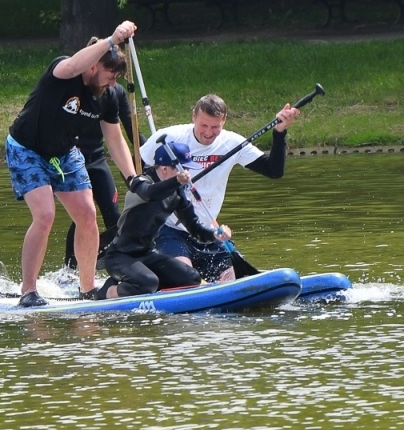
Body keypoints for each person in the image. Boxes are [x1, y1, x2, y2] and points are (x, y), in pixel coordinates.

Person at [5, 23, 141, 307]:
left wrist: (132, 178)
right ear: (93, 67)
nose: (112, 84)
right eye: (109, 76)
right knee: (45, 215)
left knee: (88, 214)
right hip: (27, 148)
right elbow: (74, 64)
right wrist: (112, 40)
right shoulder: (64, 72)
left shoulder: (109, 96)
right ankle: (28, 291)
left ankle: (87, 289)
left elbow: (114, 139)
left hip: (65, 152)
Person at [140, 92, 299, 282]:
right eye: (203, 125)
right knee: (186, 279)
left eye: (215, 127)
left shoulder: (231, 143)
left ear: (224, 121)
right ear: (193, 116)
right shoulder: (169, 137)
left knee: (229, 281)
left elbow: (274, 170)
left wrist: (279, 133)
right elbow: (139, 172)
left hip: (207, 231)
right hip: (168, 229)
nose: (208, 133)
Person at [95, 142, 230, 299]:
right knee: (147, 283)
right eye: (183, 169)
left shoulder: (177, 193)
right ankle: (107, 292)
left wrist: (215, 235)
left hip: (147, 254)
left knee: (191, 278)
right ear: (165, 169)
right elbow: (150, 194)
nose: (187, 173)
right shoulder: (141, 182)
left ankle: (140, 284)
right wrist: (176, 182)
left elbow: (195, 230)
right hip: (120, 256)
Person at [63, 80, 134, 268]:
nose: (112, 80)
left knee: (115, 217)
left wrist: (144, 161)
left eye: (116, 75)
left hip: (97, 159)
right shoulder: (78, 88)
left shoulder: (116, 92)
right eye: (110, 73)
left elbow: (130, 131)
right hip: (72, 158)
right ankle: (69, 270)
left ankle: (119, 267)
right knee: (83, 215)